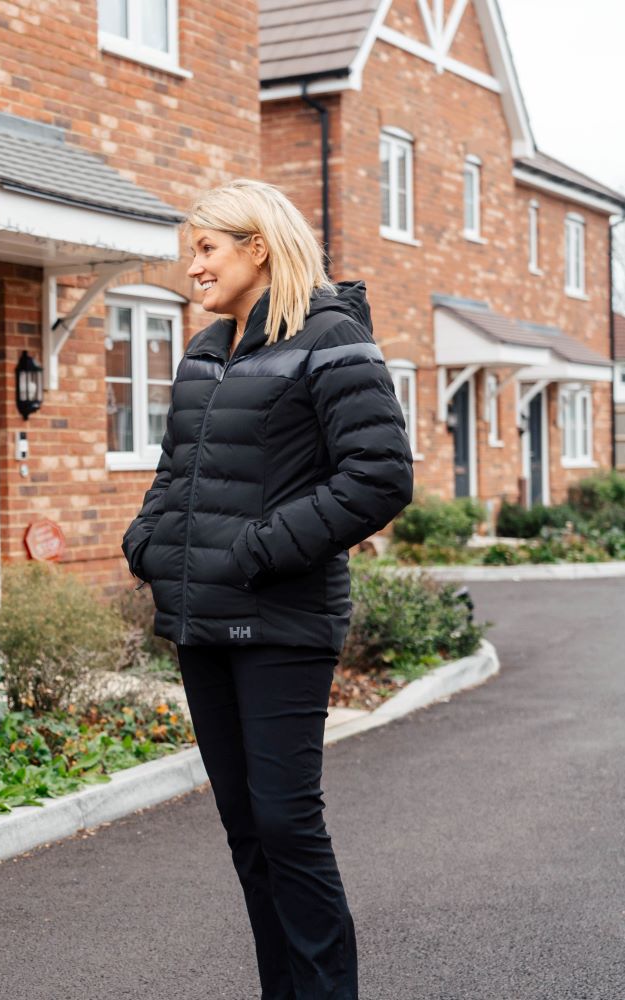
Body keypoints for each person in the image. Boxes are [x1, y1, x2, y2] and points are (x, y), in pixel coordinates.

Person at [122, 180, 413, 999]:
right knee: (247, 830)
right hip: (203, 619)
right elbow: (177, 467)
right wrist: (148, 543)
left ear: (259, 247)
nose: (193, 266)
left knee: (288, 823)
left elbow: (380, 476)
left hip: (283, 618)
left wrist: (259, 550)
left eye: (206, 248)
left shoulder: (331, 338)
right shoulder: (207, 350)